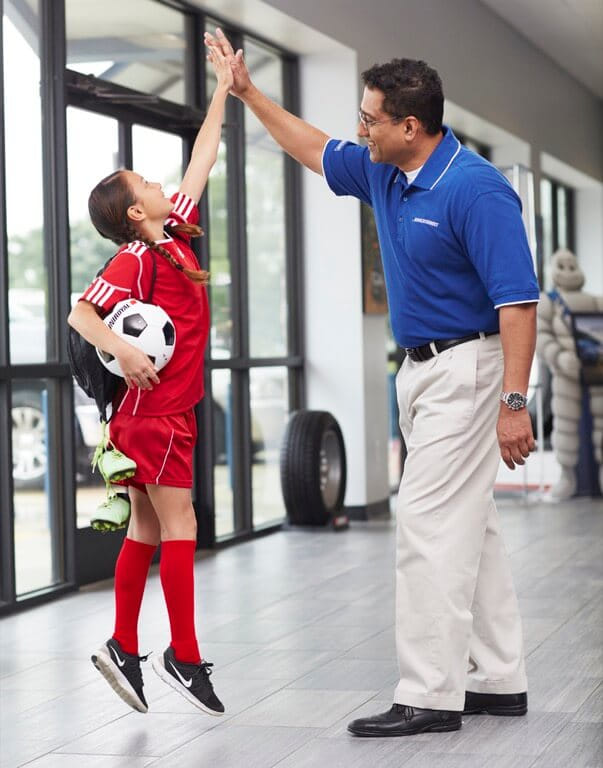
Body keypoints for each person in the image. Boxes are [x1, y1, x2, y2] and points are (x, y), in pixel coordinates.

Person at [205, 29, 540, 736]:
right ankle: (498, 678)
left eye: (369, 119)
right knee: (468, 530)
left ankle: (429, 695)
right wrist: (248, 91)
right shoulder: (385, 170)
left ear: (409, 126)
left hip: (470, 368)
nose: (359, 129)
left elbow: (516, 304)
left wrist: (513, 403)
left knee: (424, 529)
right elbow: (312, 148)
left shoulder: (475, 191)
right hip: (419, 371)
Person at [67, 45, 233, 717]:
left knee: (144, 529)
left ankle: (125, 646)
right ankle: (183, 656)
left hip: (167, 411)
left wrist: (225, 86)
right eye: (148, 185)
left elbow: (203, 157)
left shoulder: (176, 236)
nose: (163, 185)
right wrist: (125, 354)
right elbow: (80, 312)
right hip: (154, 414)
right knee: (180, 522)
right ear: (136, 212)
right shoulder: (138, 256)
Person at [537, 248, 603, 499]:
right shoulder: (548, 302)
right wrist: (559, 356)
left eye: (570, 264)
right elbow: (540, 336)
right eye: (561, 265)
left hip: (596, 371)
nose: (567, 269)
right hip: (566, 373)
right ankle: (568, 476)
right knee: (565, 425)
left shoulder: (595, 300)